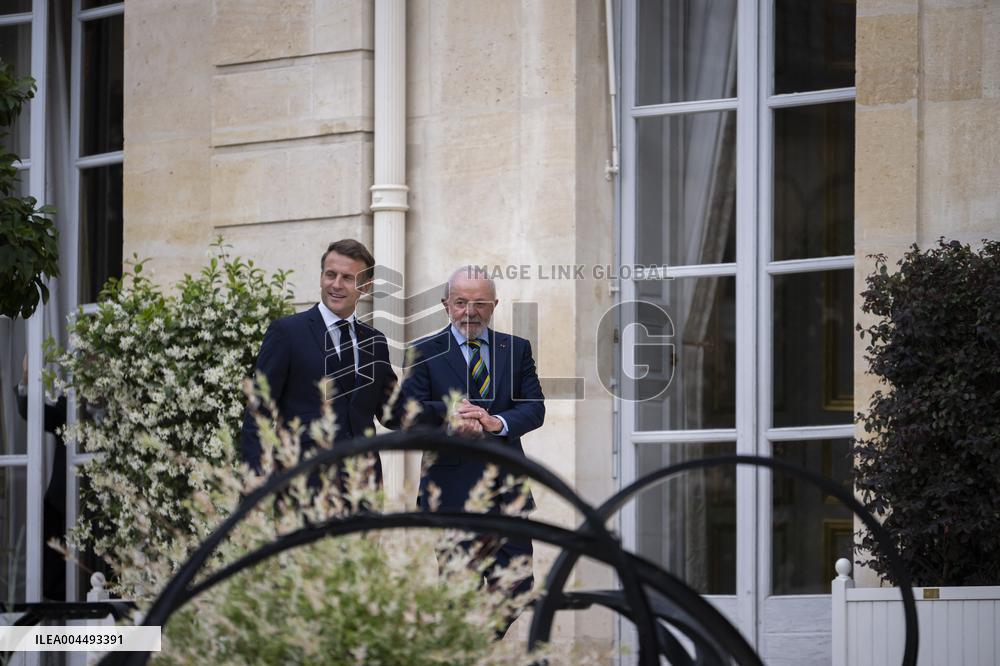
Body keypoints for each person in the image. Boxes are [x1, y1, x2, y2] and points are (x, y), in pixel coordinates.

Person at [398, 265, 545, 632]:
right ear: (445, 304)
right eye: (461, 302)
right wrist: (450, 418)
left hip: (506, 491)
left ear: (494, 304)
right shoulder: (423, 352)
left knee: (516, 586)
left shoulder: (517, 348)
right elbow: (409, 412)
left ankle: (477, 646)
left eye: (480, 303)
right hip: (449, 493)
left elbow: (534, 407)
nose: (470, 311)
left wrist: (496, 423)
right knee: (458, 593)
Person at [239, 239, 398, 485]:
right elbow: (259, 410)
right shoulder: (287, 332)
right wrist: (254, 475)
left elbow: (392, 412)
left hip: (363, 486)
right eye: (330, 275)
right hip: (302, 484)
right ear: (321, 276)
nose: (336, 284)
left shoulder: (375, 342)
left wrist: (449, 412)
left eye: (347, 278)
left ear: (365, 286)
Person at [15, 355, 68, 601]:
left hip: (109, 506)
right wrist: (28, 377)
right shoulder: (69, 405)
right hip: (62, 502)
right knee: (56, 583)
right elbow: (31, 411)